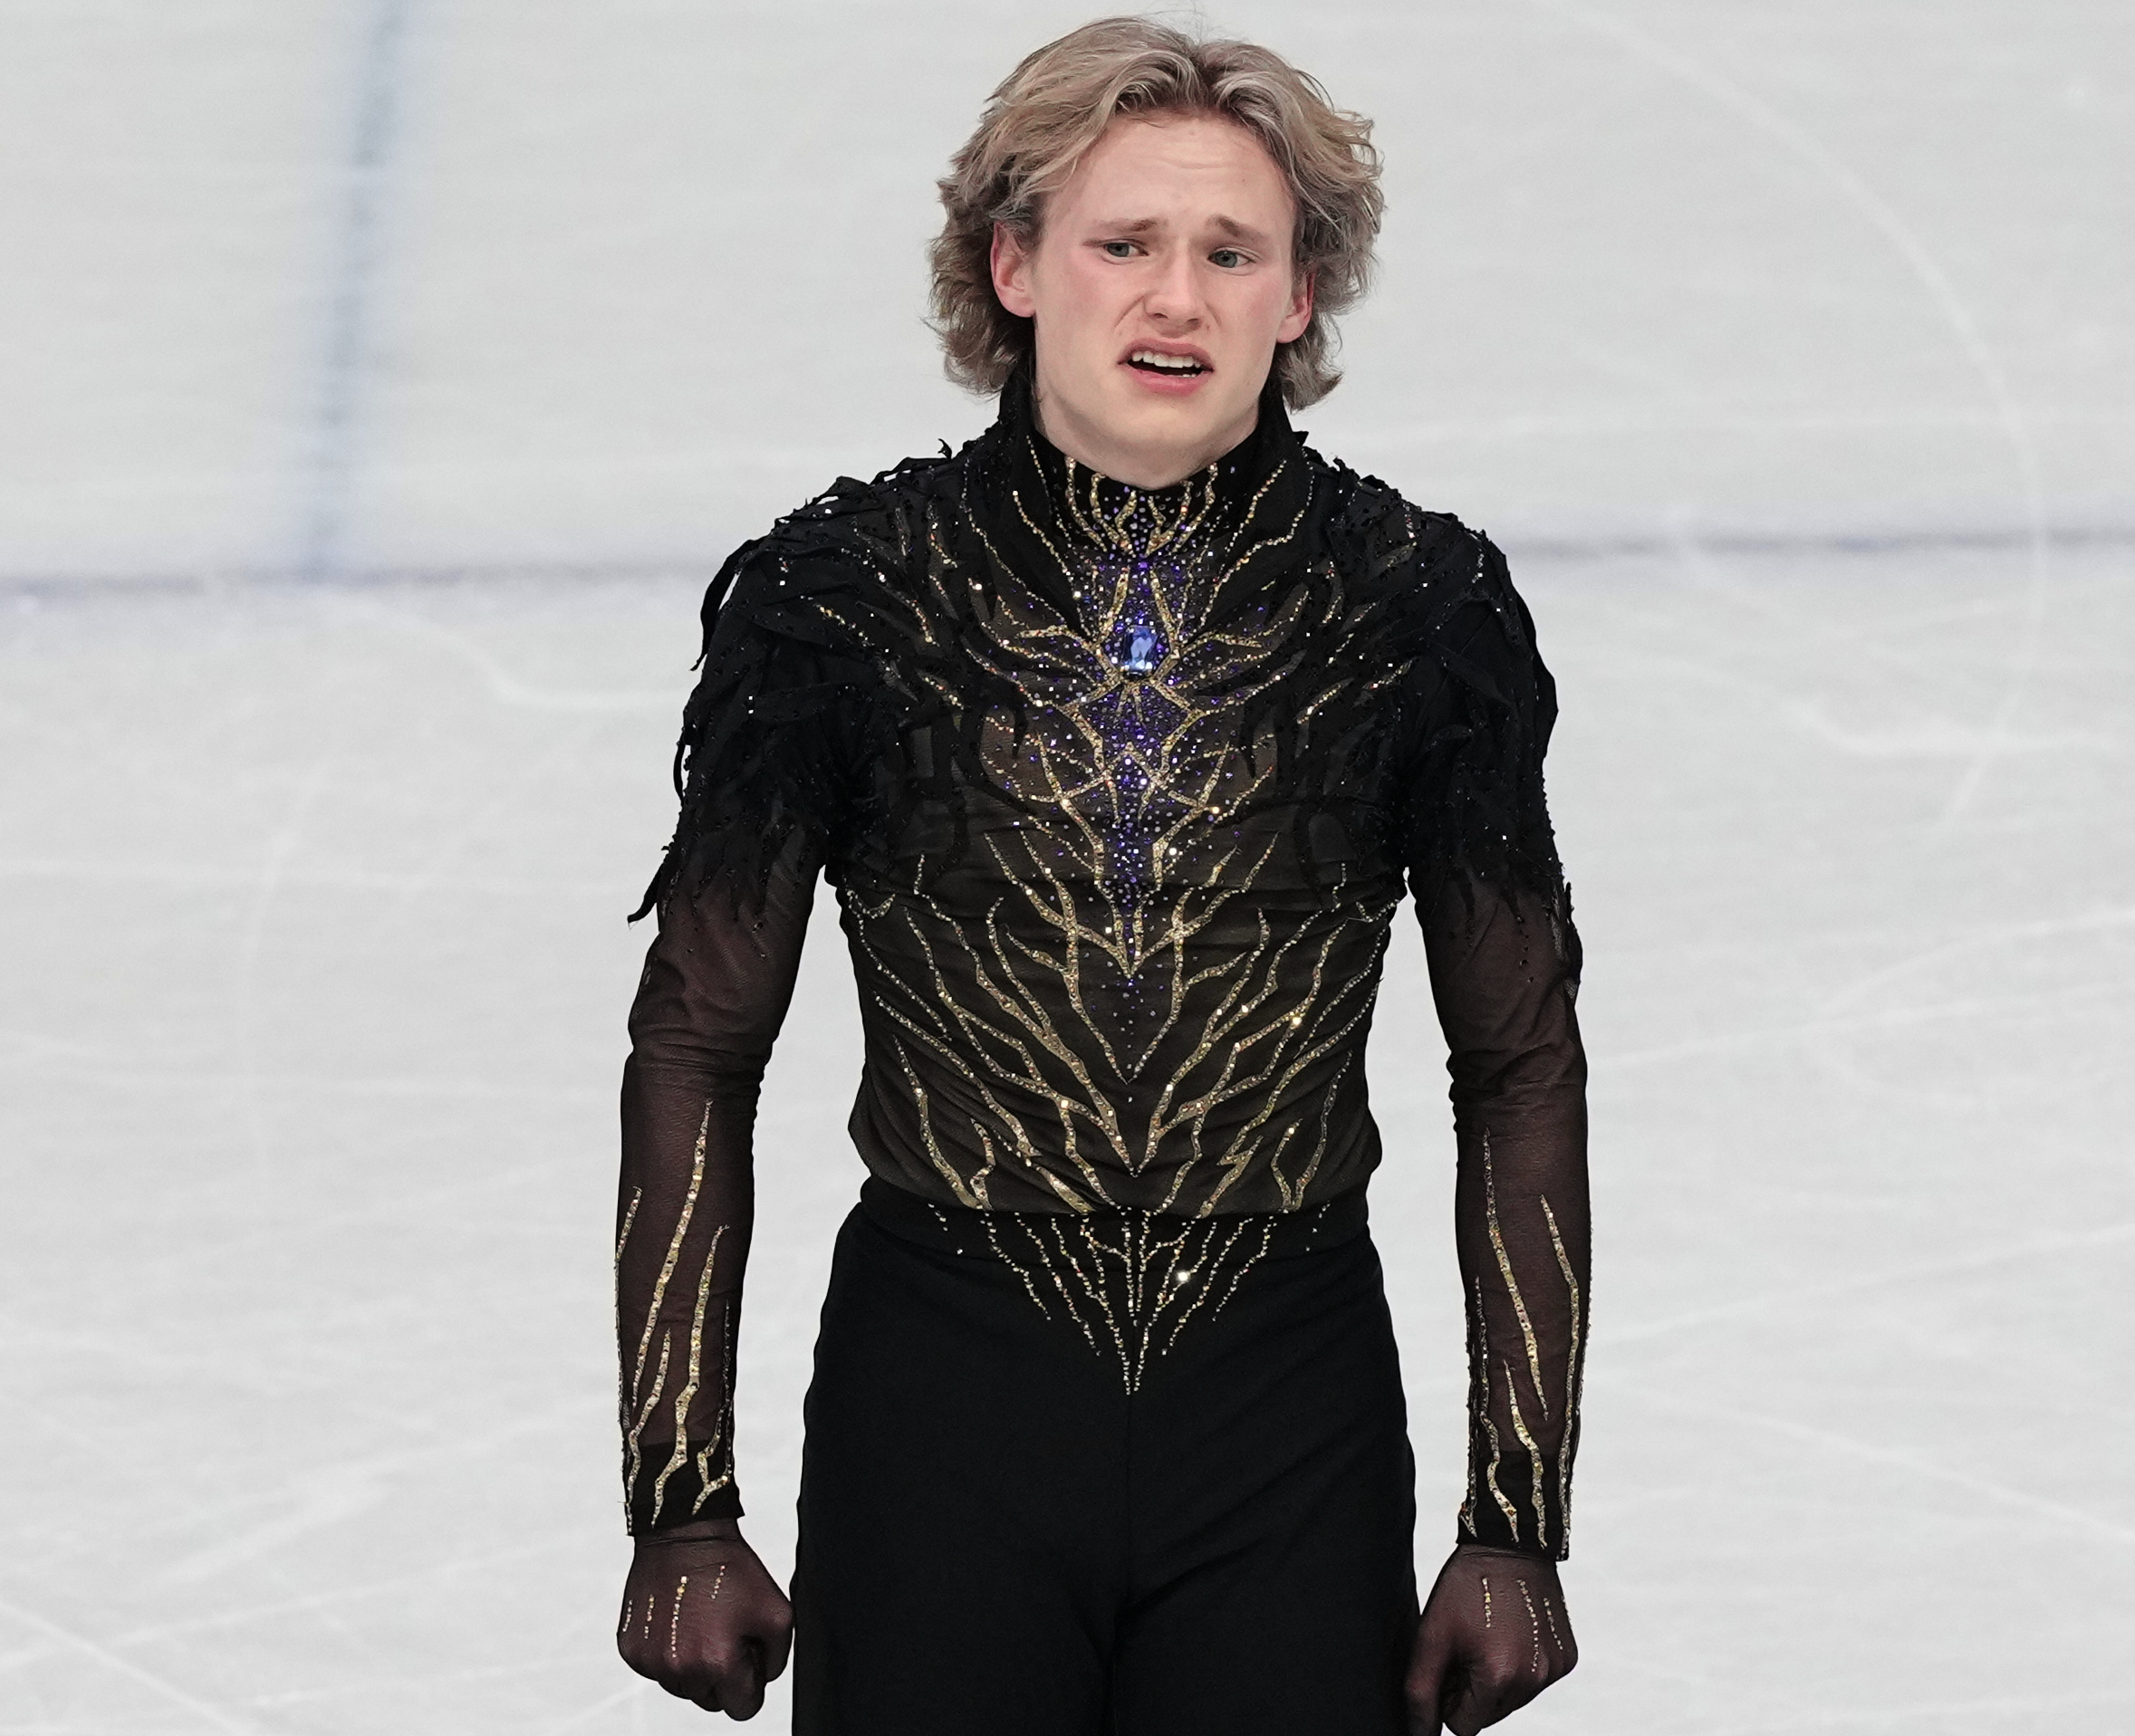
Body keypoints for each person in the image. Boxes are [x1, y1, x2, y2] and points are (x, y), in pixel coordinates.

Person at [611, 18, 1588, 1733]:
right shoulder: (840, 600)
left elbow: (1517, 1064)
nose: (1177, 299)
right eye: (1123, 244)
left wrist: (1516, 1519)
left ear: (1300, 297)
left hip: (1288, 1405)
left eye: (1233, 253)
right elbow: (699, 1042)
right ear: (1012, 264)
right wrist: (682, 1491)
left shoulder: (1416, 610)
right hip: (943, 1405)